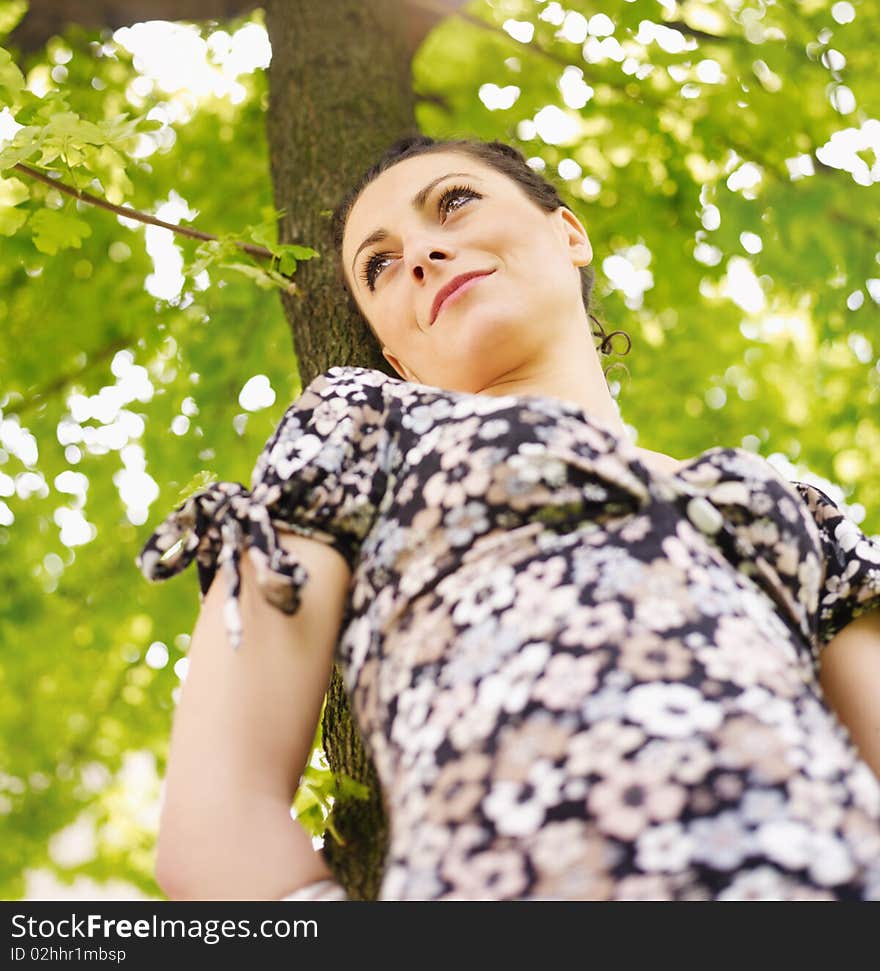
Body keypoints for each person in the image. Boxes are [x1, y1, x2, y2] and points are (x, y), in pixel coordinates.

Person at [136, 133, 880, 902]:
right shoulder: (356, 428)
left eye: (454, 203)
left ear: (569, 234)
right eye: (379, 265)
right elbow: (213, 827)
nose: (420, 253)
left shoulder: (792, 505)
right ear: (398, 356)